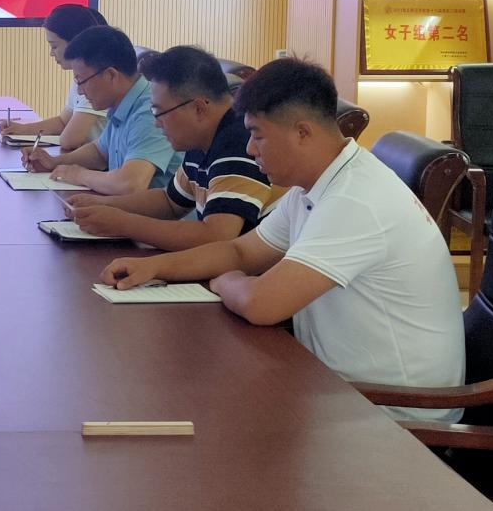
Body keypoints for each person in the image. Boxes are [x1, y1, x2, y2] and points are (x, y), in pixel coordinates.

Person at [100, 58, 465, 422]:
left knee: (197, 410)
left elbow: (261, 303)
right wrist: (153, 267)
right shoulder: (315, 185)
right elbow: (240, 251)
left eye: (258, 135)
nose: (250, 149)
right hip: (336, 387)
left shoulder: (355, 200)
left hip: (396, 415)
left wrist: (226, 282)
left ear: (303, 132)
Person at [64, 45, 280, 249]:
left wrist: (123, 224)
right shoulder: (202, 138)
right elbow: (170, 202)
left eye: (160, 113)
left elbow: (216, 236)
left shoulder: (239, 142)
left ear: (198, 108)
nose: (157, 123)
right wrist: (104, 205)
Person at [23, 25, 181, 194]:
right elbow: (99, 153)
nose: (80, 91)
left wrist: (79, 175)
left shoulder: (150, 111)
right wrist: (55, 162)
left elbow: (130, 184)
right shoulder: (122, 103)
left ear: (110, 75)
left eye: (82, 81)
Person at [0, 3, 107, 150]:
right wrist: (21, 129)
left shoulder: (96, 80)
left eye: (54, 46)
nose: (51, 53)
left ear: (76, 44)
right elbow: (63, 122)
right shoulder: (82, 76)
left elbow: (70, 140)